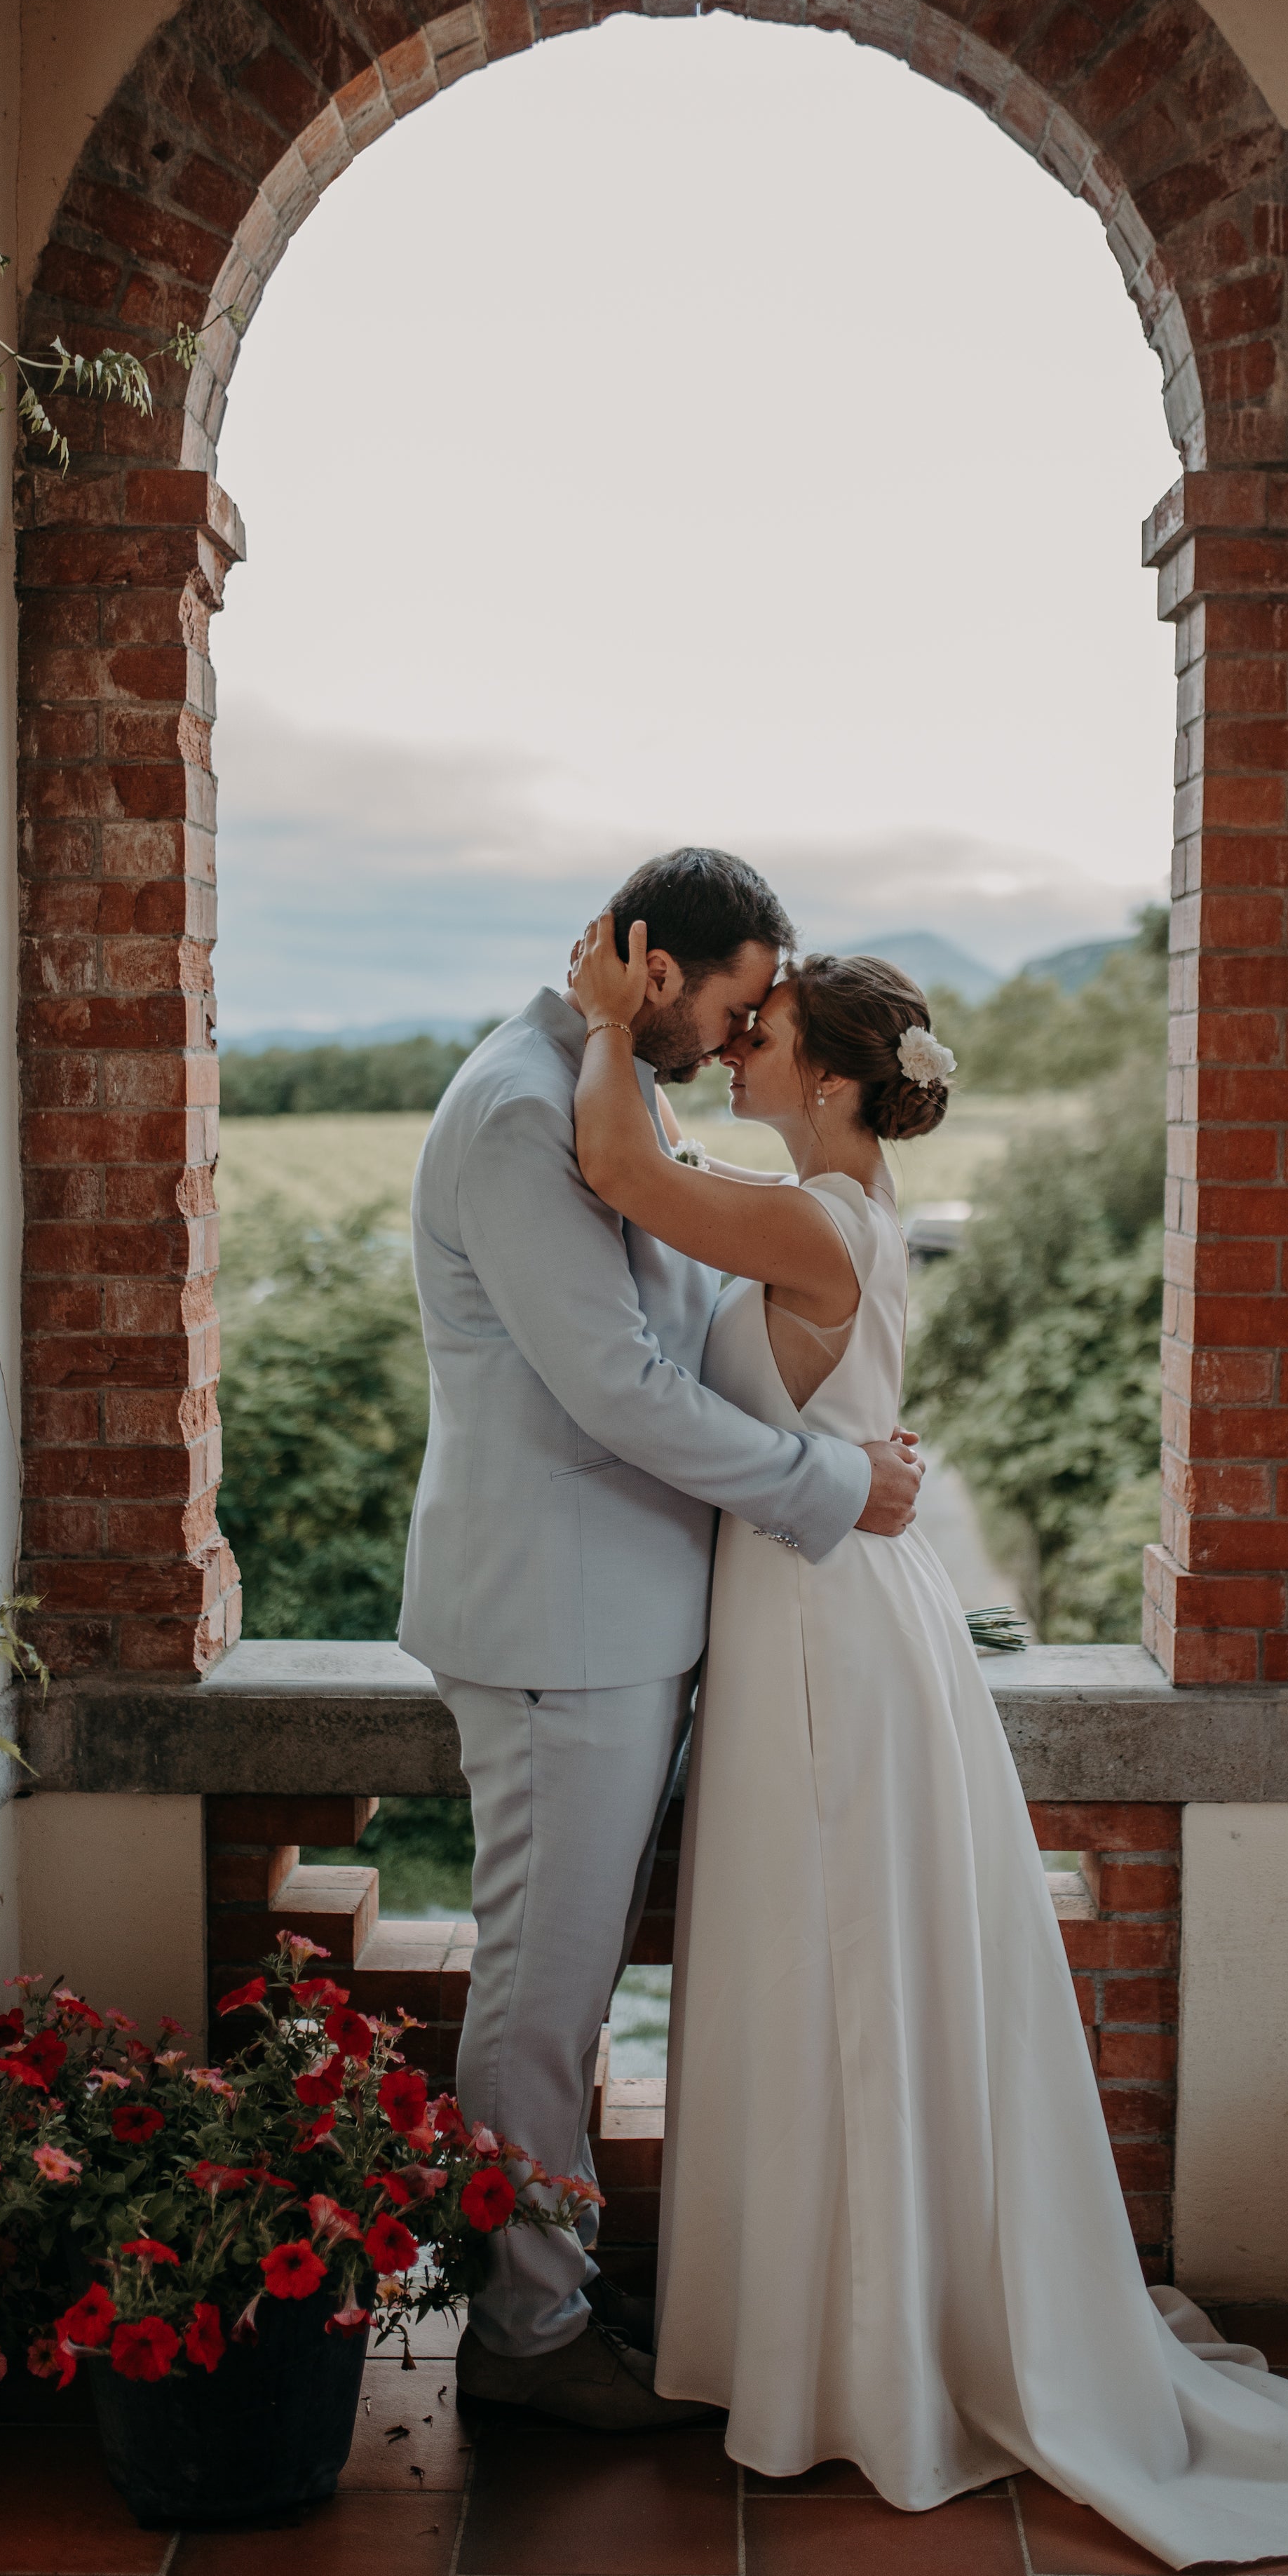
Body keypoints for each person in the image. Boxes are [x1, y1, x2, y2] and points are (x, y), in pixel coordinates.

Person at [566, 913, 1288, 2569]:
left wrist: (607, 1014)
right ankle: (836, 2338)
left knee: (845, 1979)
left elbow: (619, 1163)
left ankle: (865, 2364)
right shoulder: (831, 1207)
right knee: (826, 1975)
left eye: (760, 1031)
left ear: (828, 1082)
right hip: (820, 1605)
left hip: (825, 1633)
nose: (734, 1042)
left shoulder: (815, 1224)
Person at [398, 847, 924, 2432]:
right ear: (645, 962)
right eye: (735, 995)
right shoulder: (516, 1108)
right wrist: (829, 1481)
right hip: (556, 1615)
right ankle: (529, 2335)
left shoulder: (603, 1078)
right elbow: (612, 1388)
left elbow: (701, 1312)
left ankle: (555, 2271)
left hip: (616, 1609)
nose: (744, 1026)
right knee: (544, 1990)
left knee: (565, 1975)